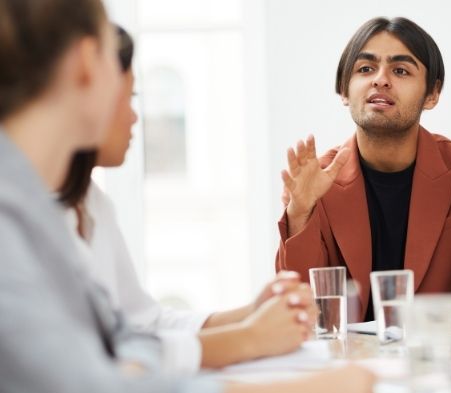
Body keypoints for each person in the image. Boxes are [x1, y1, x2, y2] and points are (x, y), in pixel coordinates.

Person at [0, 0, 373, 393]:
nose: (134, 109)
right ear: (88, 63)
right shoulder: (14, 217)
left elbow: (123, 343)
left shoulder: (35, 204)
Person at [58, 25, 316, 373]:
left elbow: (146, 323)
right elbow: (106, 363)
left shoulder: (93, 202)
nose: (135, 117)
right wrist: (250, 336)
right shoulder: (28, 216)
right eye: (129, 97)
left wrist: (252, 311)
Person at [276, 17, 451, 320]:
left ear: (432, 94)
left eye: (400, 70)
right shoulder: (316, 178)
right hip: (352, 360)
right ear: (344, 91)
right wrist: (300, 214)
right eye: (365, 69)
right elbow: (302, 316)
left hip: (438, 355)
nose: (380, 80)